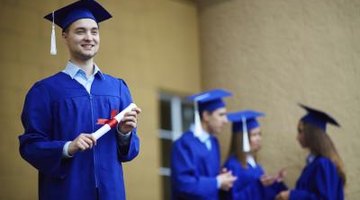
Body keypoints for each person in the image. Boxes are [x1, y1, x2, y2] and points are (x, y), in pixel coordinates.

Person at [18, 1, 141, 200]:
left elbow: (130, 152)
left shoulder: (117, 88)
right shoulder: (45, 90)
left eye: (94, 31)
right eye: (80, 31)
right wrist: (68, 147)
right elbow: (30, 146)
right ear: (65, 36)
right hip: (66, 192)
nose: (89, 38)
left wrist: (124, 134)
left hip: (111, 193)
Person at [171, 89, 237, 200]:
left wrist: (220, 176)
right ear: (206, 116)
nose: (225, 120)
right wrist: (217, 182)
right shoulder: (183, 144)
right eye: (221, 115)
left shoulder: (213, 142)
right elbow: (184, 185)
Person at [276, 104, 346, 200]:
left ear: (311, 134)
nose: (297, 137)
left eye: (300, 131)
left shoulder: (323, 164)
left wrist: (291, 195)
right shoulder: (315, 163)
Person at [221, 110, 287, 200]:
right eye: (254, 135)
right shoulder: (232, 166)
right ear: (242, 138)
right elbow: (233, 198)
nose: (259, 138)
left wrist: (275, 183)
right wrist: (258, 185)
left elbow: (264, 193)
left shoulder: (254, 164)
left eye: (259, 134)